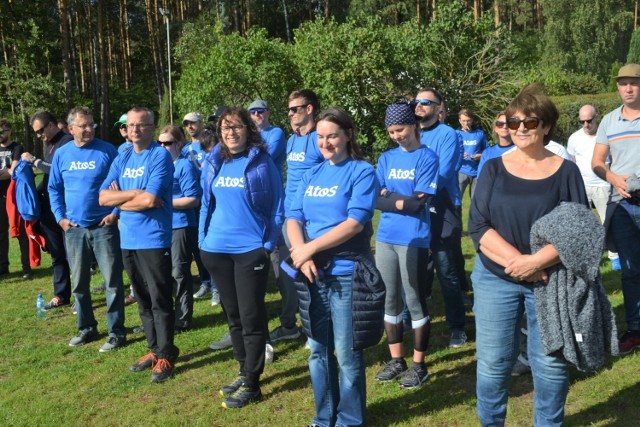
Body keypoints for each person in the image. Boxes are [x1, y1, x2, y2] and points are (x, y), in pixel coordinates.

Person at [469, 84, 588, 426]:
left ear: (547, 127)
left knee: (550, 363)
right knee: (493, 363)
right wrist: (519, 264)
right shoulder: (493, 168)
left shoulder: (566, 172)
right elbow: (478, 226)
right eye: (513, 121)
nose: (520, 128)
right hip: (494, 279)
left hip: (550, 279)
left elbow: (576, 230)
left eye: (530, 122)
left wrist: (535, 263)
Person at [287, 107, 380, 427]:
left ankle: (350, 420)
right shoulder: (312, 173)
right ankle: (324, 417)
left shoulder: (362, 171)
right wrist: (303, 253)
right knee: (317, 349)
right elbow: (293, 217)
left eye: (333, 136)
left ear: (348, 135)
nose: (326, 142)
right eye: (321, 136)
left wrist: (309, 248)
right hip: (312, 272)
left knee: (347, 353)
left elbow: (355, 223)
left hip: (346, 275)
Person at [199, 107, 284, 409]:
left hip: (251, 251)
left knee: (251, 317)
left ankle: (253, 383)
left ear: (249, 129)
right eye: (225, 128)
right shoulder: (214, 161)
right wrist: (202, 241)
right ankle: (243, 369)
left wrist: (267, 244)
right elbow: (206, 205)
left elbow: (277, 206)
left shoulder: (261, 163)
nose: (231, 133)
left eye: (236, 127)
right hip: (216, 251)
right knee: (233, 317)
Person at [99, 107, 179, 383]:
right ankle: (153, 350)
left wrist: (122, 198)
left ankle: (167, 353)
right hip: (128, 239)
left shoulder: (160, 156)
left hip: (154, 238)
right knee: (142, 299)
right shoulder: (122, 157)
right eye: (131, 125)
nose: (135, 130)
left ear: (151, 127)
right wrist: (135, 194)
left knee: (159, 298)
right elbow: (102, 198)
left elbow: (152, 200)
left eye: (141, 125)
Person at [48, 107, 126, 351]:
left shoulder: (107, 150)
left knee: (113, 283)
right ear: (70, 129)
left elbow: (123, 184)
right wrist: (60, 217)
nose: (89, 129)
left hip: (104, 226)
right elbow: (54, 188)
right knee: (79, 284)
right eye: (83, 125)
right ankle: (87, 329)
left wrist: (115, 213)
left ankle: (116, 332)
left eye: (91, 124)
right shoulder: (62, 154)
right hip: (74, 229)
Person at [374, 102, 439, 389]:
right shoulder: (386, 158)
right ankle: (396, 360)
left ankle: (419, 365)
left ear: (413, 125)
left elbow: (417, 204)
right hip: (385, 237)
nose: (396, 135)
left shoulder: (428, 158)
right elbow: (374, 198)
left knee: (413, 300)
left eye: (400, 129)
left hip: (414, 237)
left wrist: (392, 198)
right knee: (389, 299)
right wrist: (398, 199)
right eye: (391, 131)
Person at [592, 63, 640, 355]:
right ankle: (635, 329)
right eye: (623, 84)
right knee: (631, 271)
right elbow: (597, 162)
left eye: (633, 83)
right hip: (621, 204)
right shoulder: (609, 121)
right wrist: (611, 177)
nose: (628, 88)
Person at [269, 89, 324, 344]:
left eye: (295, 109)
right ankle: (295, 325)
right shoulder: (292, 141)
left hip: (311, 220)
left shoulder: (319, 139)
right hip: (288, 219)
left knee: (313, 274)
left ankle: (319, 328)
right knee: (291, 274)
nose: (289, 114)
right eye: (288, 109)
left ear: (309, 109)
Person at [414, 88, 468, 348]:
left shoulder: (449, 135)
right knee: (418, 270)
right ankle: (418, 322)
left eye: (426, 102)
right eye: (417, 101)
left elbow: (444, 172)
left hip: (443, 206)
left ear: (439, 107)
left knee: (447, 270)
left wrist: (413, 192)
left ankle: (457, 326)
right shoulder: (412, 133)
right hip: (417, 208)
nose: (419, 105)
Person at [22, 111, 73, 310]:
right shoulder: (49, 144)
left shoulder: (67, 142)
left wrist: (34, 160)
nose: (38, 135)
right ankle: (61, 295)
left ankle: (79, 296)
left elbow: (56, 171)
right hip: (49, 207)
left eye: (40, 131)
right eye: (36, 132)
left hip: (65, 207)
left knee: (73, 254)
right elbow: (49, 179)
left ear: (52, 125)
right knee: (57, 253)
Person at [157, 125, 201, 333]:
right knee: (163, 274)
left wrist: (164, 202)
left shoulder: (184, 166)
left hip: (182, 225)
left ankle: (182, 319)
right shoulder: (158, 165)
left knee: (179, 273)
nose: (163, 147)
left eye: (168, 143)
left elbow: (193, 199)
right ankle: (167, 317)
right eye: (160, 143)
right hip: (161, 226)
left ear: (179, 144)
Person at [567, 105, 621, 271]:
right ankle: (589, 257)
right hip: (582, 186)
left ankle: (614, 256)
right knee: (583, 224)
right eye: (582, 121)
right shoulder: (574, 138)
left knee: (609, 223)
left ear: (596, 116)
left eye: (589, 121)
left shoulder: (606, 135)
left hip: (603, 186)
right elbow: (573, 162)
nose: (585, 125)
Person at [183, 111, 219, 306]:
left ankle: (216, 287)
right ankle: (205, 282)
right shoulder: (185, 149)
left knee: (212, 243)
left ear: (200, 122)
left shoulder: (211, 143)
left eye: (193, 123)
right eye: (187, 124)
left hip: (212, 199)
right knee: (199, 246)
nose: (190, 126)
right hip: (194, 201)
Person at [0, 118, 31, 278]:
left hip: (14, 195)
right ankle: (3, 268)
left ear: (9, 131)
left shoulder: (17, 147)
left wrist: (7, 172)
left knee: (20, 232)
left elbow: (13, 171)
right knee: (1, 233)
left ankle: (27, 268)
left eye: (1, 131)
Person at [457, 108, 488, 200]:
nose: (466, 123)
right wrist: (459, 155)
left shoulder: (479, 134)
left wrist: (480, 155)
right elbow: (450, 153)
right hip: (461, 171)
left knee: (476, 201)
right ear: (459, 120)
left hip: (477, 172)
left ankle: (474, 215)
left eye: (468, 121)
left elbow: (487, 151)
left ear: (472, 120)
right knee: (456, 201)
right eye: (463, 121)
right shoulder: (455, 134)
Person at [477, 111, 514, 177]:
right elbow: (481, 178)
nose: (505, 126)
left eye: (508, 124)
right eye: (500, 124)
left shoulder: (521, 151)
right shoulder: (487, 153)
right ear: (496, 128)